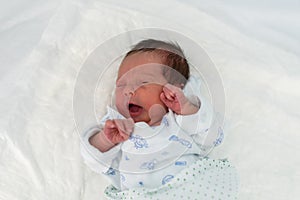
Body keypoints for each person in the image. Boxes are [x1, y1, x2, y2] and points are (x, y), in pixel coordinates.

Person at [81, 39, 238, 199]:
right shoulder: (117, 125)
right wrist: (106, 140)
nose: (128, 90)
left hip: (189, 190)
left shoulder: (180, 118)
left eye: (143, 82)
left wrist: (187, 108)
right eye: (121, 85)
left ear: (174, 87)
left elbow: (214, 137)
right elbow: (94, 160)